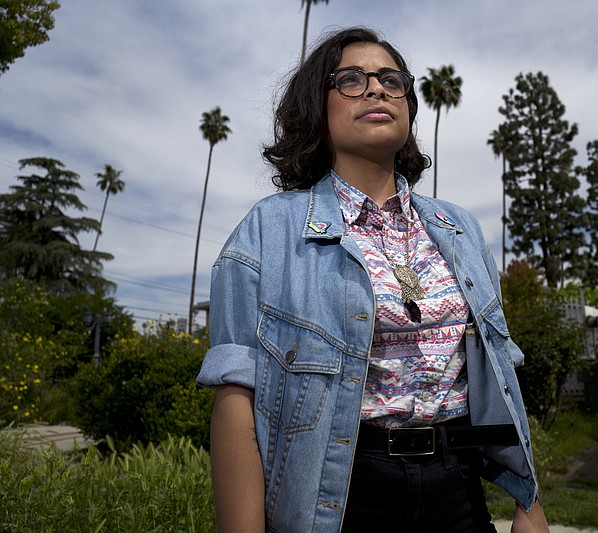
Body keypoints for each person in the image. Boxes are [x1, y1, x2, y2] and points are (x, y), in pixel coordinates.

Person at [197, 27, 550, 533]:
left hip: (458, 493)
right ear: (317, 109)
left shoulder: (459, 227)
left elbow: (501, 372)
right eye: (350, 79)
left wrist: (530, 504)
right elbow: (237, 398)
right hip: (336, 501)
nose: (376, 89)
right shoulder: (267, 230)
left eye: (390, 79)